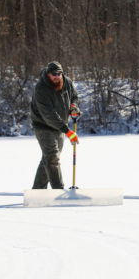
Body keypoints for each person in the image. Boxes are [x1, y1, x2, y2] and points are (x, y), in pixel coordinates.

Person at [30, 61, 80, 189]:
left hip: (61, 126)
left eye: (59, 73)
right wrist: (68, 131)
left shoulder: (66, 81)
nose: (57, 76)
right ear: (48, 74)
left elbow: (74, 96)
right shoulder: (41, 88)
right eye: (54, 74)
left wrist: (73, 107)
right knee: (52, 159)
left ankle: (37, 192)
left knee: (49, 159)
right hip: (44, 126)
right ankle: (59, 191)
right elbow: (49, 115)